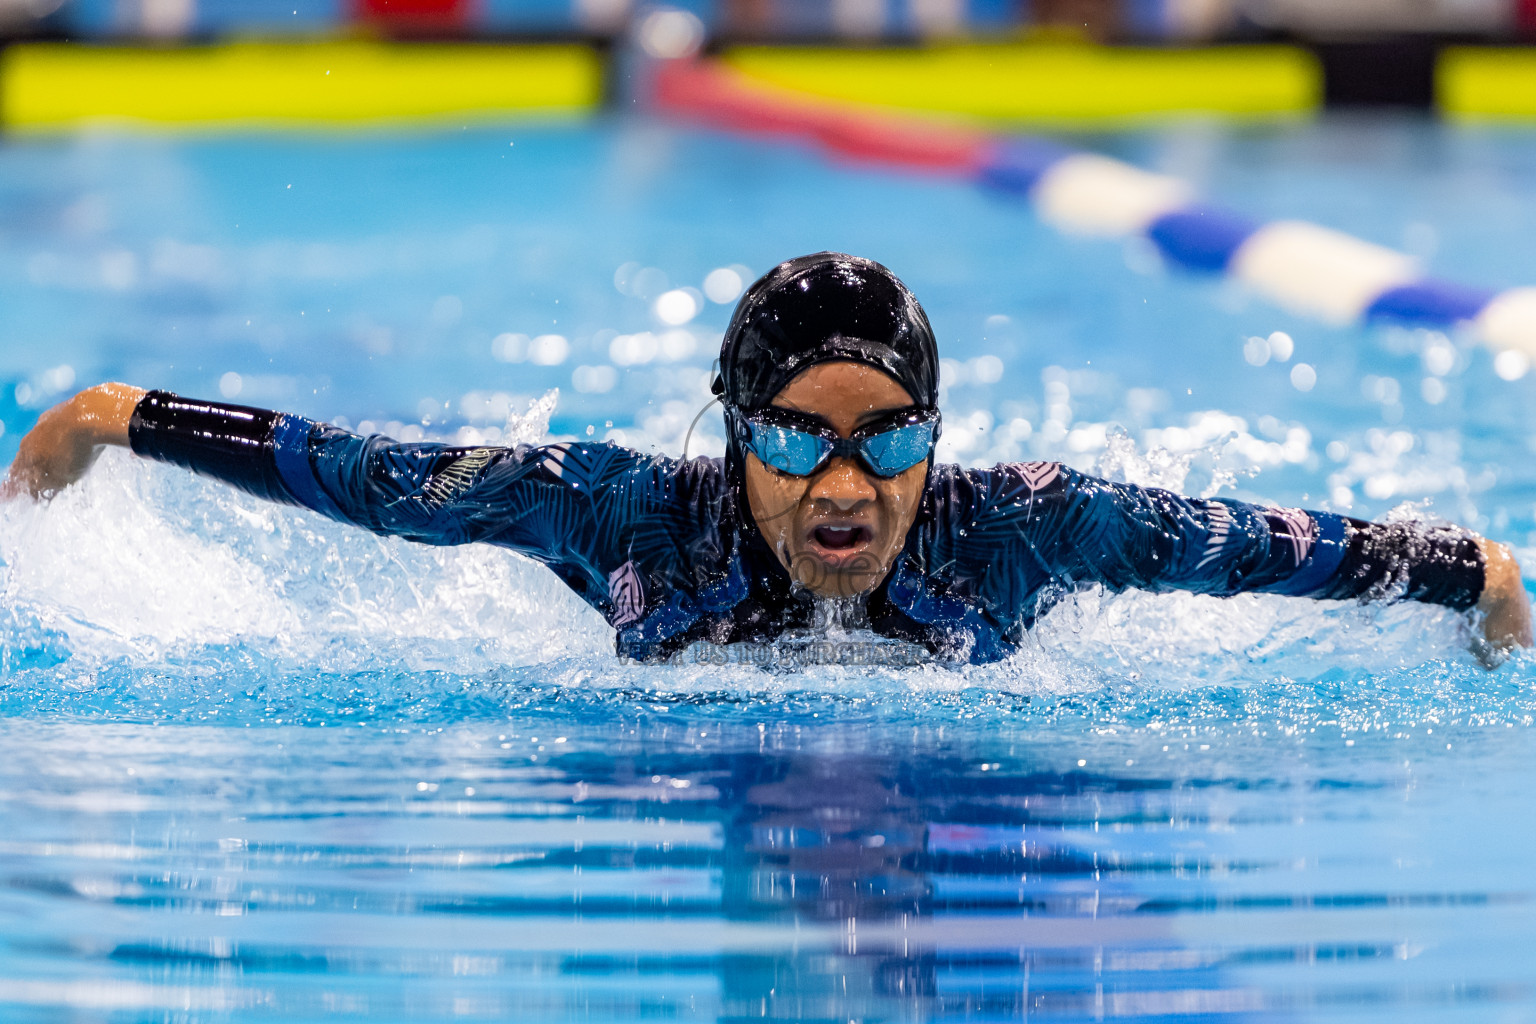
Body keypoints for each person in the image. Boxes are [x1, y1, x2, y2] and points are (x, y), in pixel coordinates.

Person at [3, 252, 1530, 665]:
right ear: (737, 434)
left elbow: (1261, 547)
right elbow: (373, 476)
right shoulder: (616, 511)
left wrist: (1478, 574)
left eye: (888, 439)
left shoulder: (1025, 529)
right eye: (798, 439)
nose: (846, 487)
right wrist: (118, 413)